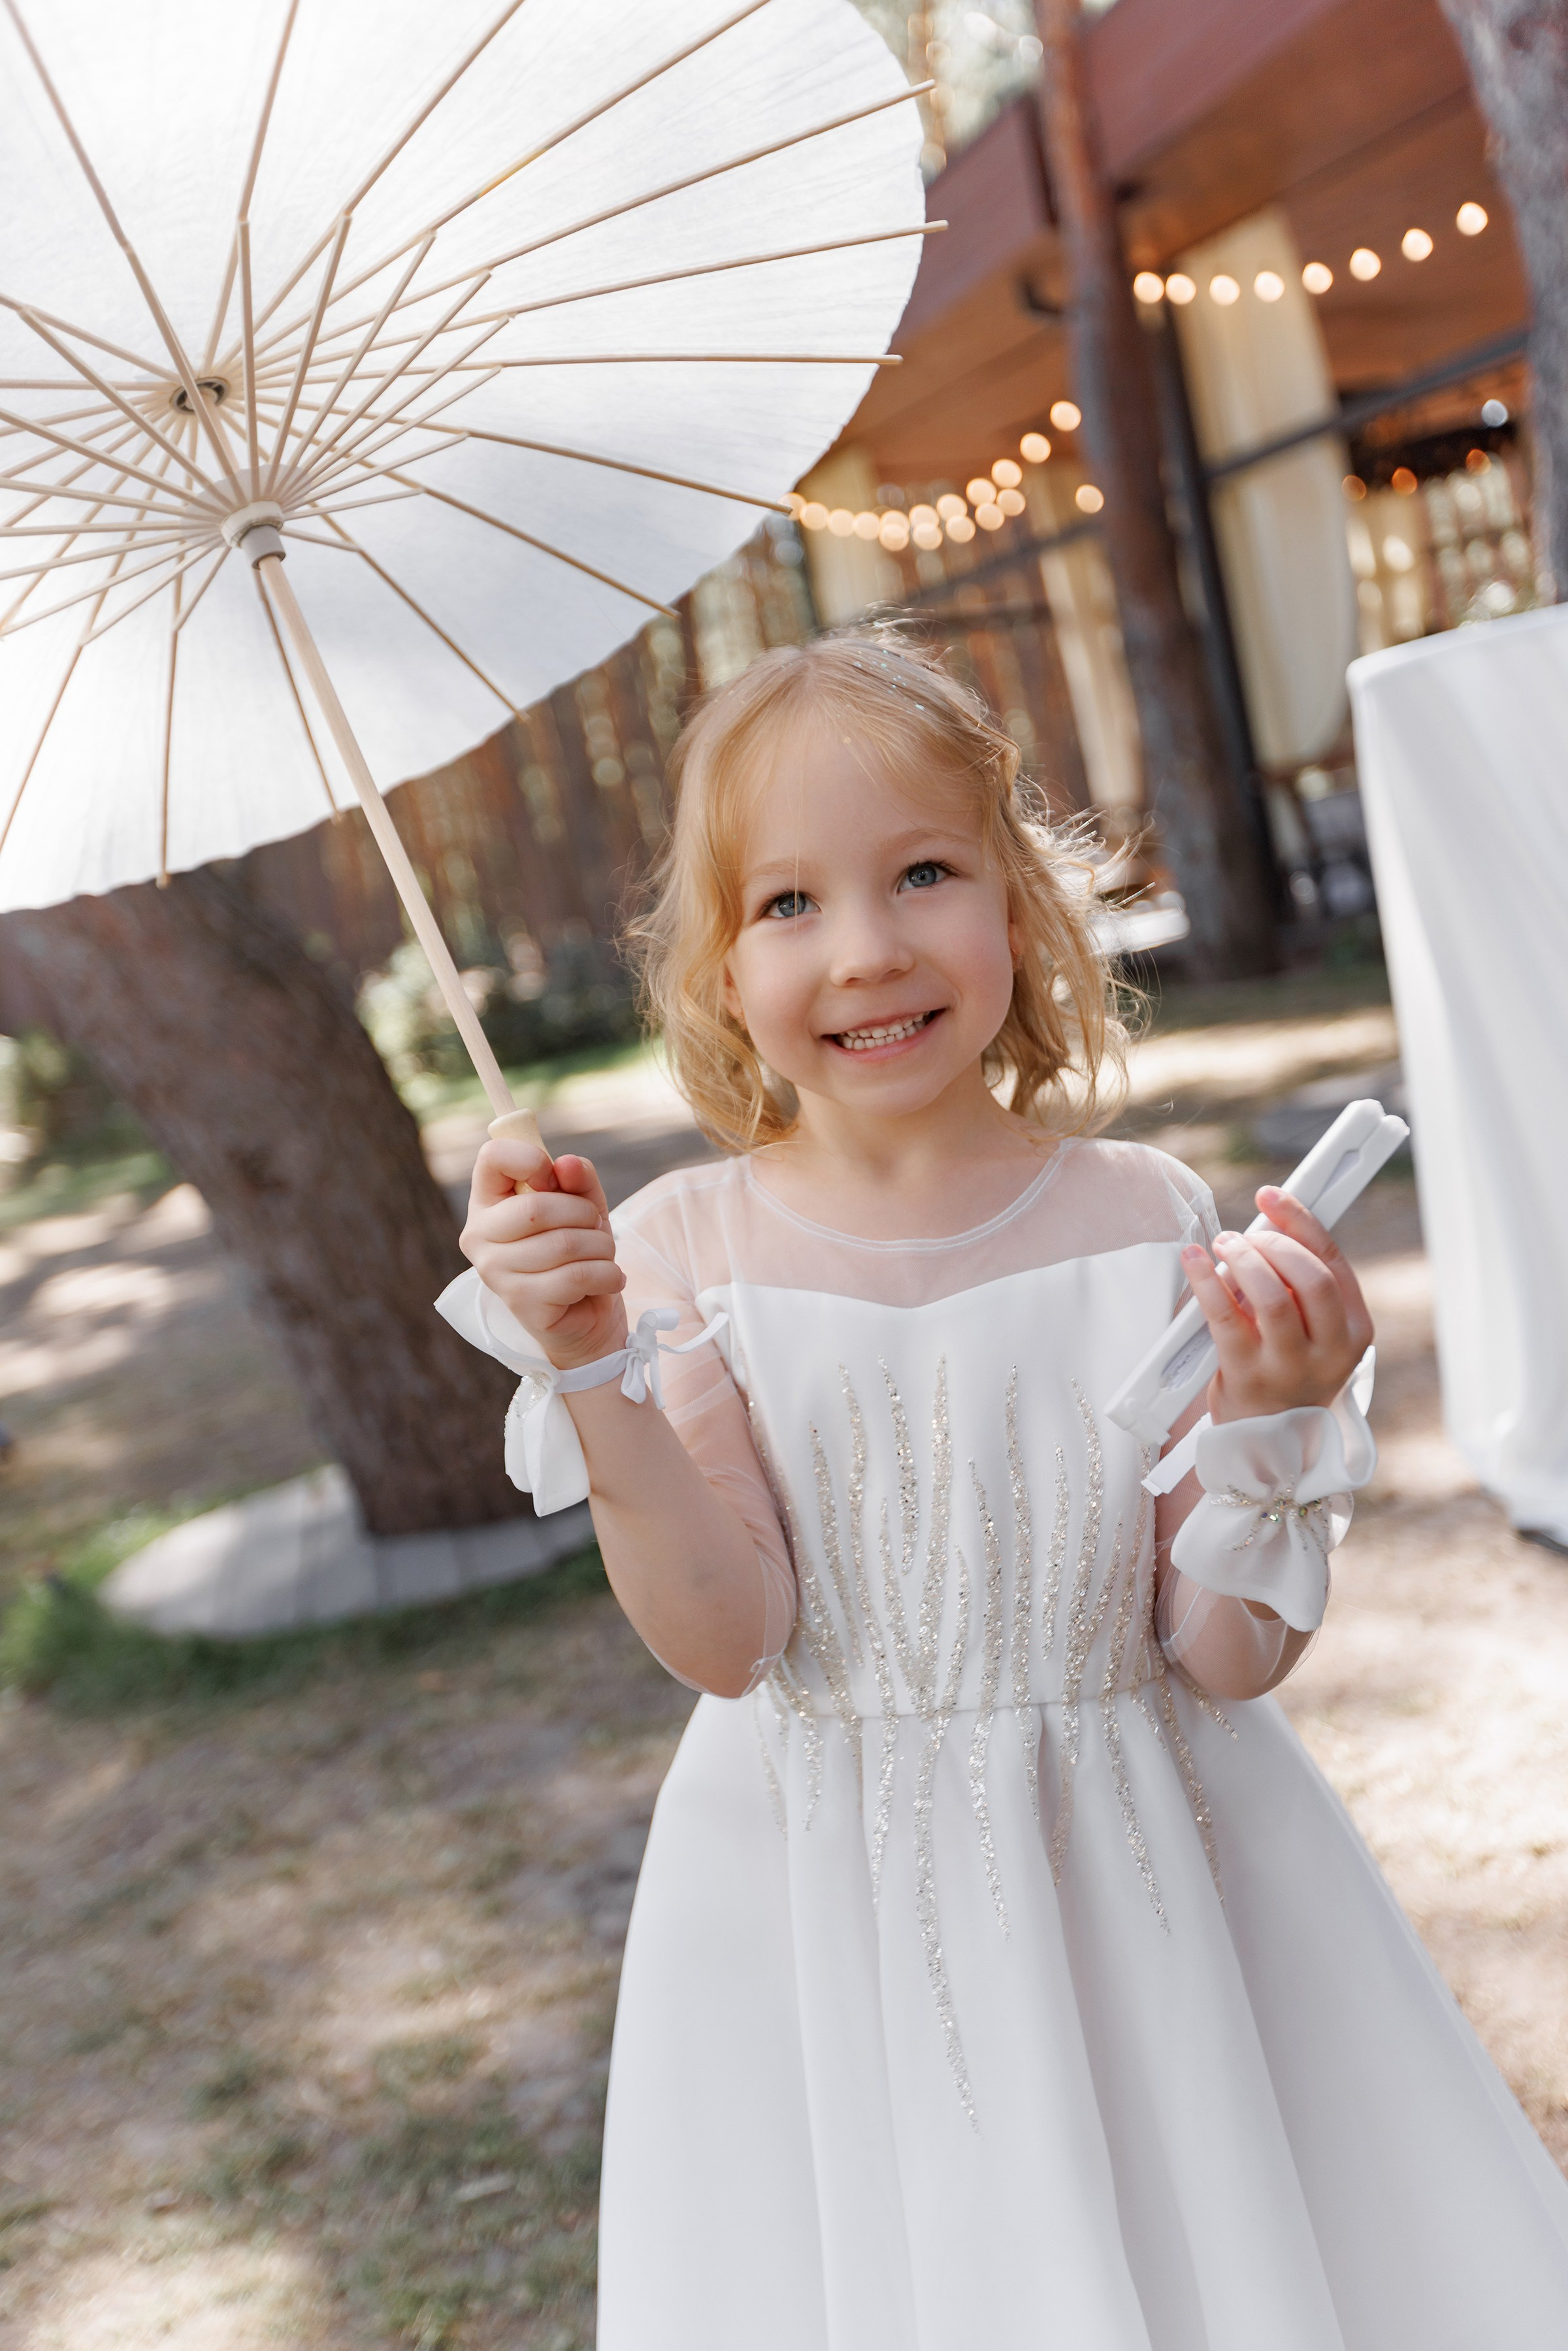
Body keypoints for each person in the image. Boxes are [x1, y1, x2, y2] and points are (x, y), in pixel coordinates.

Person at [441, 634, 1568, 2349]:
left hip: (1152, 1883)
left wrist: (1273, 1411)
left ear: (1021, 904)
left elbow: (1224, 1654)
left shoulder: (1140, 1216)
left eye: (923, 873)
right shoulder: (681, 1252)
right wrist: (594, 1361)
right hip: (835, 1905)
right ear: (716, 965)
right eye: (789, 904)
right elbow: (730, 1637)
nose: (871, 947)